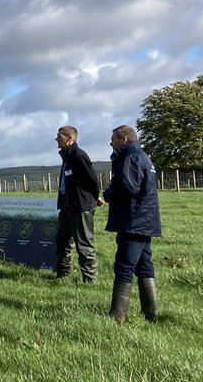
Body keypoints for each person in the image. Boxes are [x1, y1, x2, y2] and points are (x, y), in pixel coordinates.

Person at [102, 125, 162, 322]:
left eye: (113, 139)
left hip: (133, 219)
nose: (111, 143)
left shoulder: (130, 157)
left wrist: (108, 194)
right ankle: (151, 314)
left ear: (124, 139)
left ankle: (117, 315)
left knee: (124, 265)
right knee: (144, 265)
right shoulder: (143, 156)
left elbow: (128, 187)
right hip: (145, 219)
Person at [54, 125, 101, 282]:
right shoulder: (67, 156)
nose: (56, 139)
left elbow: (92, 180)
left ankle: (89, 279)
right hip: (66, 206)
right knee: (61, 241)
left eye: (59, 136)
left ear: (70, 139)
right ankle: (63, 275)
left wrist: (95, 197)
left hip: (80, 207)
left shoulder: (79, 156)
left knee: (83, 244)